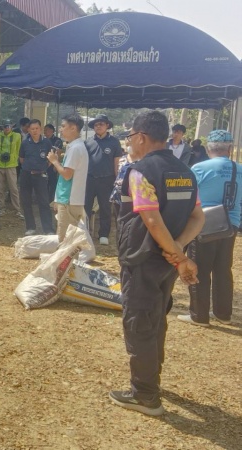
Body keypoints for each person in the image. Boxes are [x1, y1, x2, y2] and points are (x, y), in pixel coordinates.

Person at [110, 110, 204, 417]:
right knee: (156, 319)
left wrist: (178, 254)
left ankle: (145, 394)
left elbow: (151, 220)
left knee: (139, 323)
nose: (129, 143)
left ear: (140, 137)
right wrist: (178, 252)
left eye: (130, 137)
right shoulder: (186, 172)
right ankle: (152, 378)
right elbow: (198, 217)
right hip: (166, 263)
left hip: (143, 259)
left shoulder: (140, 172)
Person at [177, 130, 241, 327]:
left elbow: (188, 195)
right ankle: (223, 313)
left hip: (203, 225)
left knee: (200, 269)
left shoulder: (199, 168)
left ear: (208, 148)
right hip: (231, 225)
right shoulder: (239, 169)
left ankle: (199, 315)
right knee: (223, 269)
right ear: (230, 149)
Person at [48, 115, 89, 242]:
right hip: (68, 198)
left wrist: (54, 161)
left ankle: (64, 256)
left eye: (63, 126)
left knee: (64, 239)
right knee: (69, 238)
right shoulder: (75, 146)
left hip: (68, 200)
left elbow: (67, 175)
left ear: (73, 128)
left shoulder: (75, 148)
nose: (60, 129)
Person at [85, 114, 123, 245]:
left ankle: (103, 234)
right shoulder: (88, 142)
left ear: (107, 126)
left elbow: (117, 162)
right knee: (86, 207)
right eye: (96, 124)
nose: (98, 126)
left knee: (105, 208)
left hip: (107, 180)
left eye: (101, 124)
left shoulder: (114, 142)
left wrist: (117, 180)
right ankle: (85, 233)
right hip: (89, 179)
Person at [19, 119, 54, 235]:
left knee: (43, 202)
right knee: (26, 201)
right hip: (26, 175)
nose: (34, 131)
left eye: (37, 128)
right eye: (32, 129)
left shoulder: (47, 142)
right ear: (29, 130)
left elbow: (50, 159)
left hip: (40, 176)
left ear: (40, 129)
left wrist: (42, 167)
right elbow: (21, 159)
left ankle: (48, 229)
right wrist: (29, 167)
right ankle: (30, 227)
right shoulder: (25, 143)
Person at [0, 120, 22, 218]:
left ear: (12, 127)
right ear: (2, 127)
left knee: (13, 188)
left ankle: (17, 209)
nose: (7, 128)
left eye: (9, 126)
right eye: (5, 126)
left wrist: (14, 158)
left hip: (11, 165)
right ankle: (1, 208)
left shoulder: (17, 136)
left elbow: (18, 149)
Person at [44, 124, 64, 202]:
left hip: (52, 164)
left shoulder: (57, 140)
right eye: (44, 130)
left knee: (52, 183)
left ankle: (52, 200)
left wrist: (56, 165)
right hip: (43, 164)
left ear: (52, 131)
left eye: (47, 130)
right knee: (44, 183)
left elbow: (58, 153)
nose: (45, 131)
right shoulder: (43, 140)